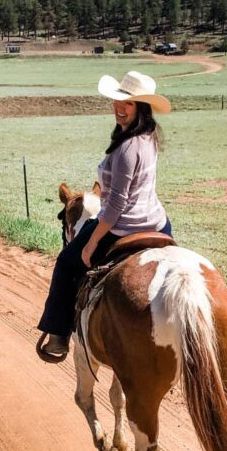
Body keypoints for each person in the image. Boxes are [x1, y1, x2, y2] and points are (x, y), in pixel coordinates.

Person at [37, 71, 173, 355]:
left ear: (142, 108)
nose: (119, 108)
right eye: (117, 101)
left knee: (65, 263)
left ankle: (58, 334)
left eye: (129, 104)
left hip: (123, 225)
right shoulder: (150, 136)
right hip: (158, 223)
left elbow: (116, 206)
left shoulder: (126, 148)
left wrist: (91, 242)